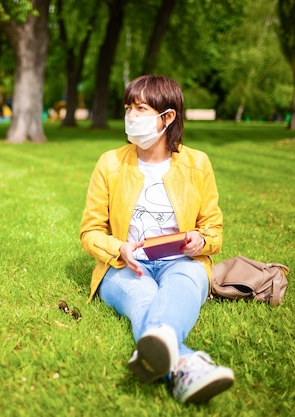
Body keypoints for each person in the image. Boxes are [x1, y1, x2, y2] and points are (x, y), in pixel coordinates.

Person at [79, 74, 234, 404]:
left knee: (182, 281)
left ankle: (166, 354)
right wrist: (118, 248)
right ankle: (185, 364)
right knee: (145, 298)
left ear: (168, 117)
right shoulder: (110, 163)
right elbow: (89, 232)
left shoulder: (197, 163)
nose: (131, 116)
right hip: (124, 267)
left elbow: (214, 232)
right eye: (128, 108)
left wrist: (199, 241)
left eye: (141, 109)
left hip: (182, 262)